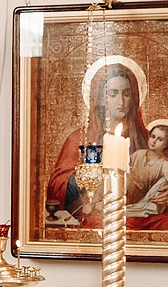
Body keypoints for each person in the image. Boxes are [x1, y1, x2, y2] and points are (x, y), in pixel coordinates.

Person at [46, 59, 149, 229]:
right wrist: (84, 180)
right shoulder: (79, 138)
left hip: (136, 211)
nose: (121, 101)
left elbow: (166, 172)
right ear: (101, 98)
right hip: (94, 209)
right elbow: (57, 185)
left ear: (134, 96)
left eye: (126, 93)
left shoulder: (145, 138)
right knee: (96, 223)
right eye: (113, 93)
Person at [125, 120, 168, 230]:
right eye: (153, 136)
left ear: (167, 144)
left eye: (160, 139)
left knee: (164, 182)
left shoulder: (165, 163)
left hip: (148, 196)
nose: (154, 141)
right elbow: (126, 164)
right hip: (132, 191)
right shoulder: (139, 154)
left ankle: (142, 208)